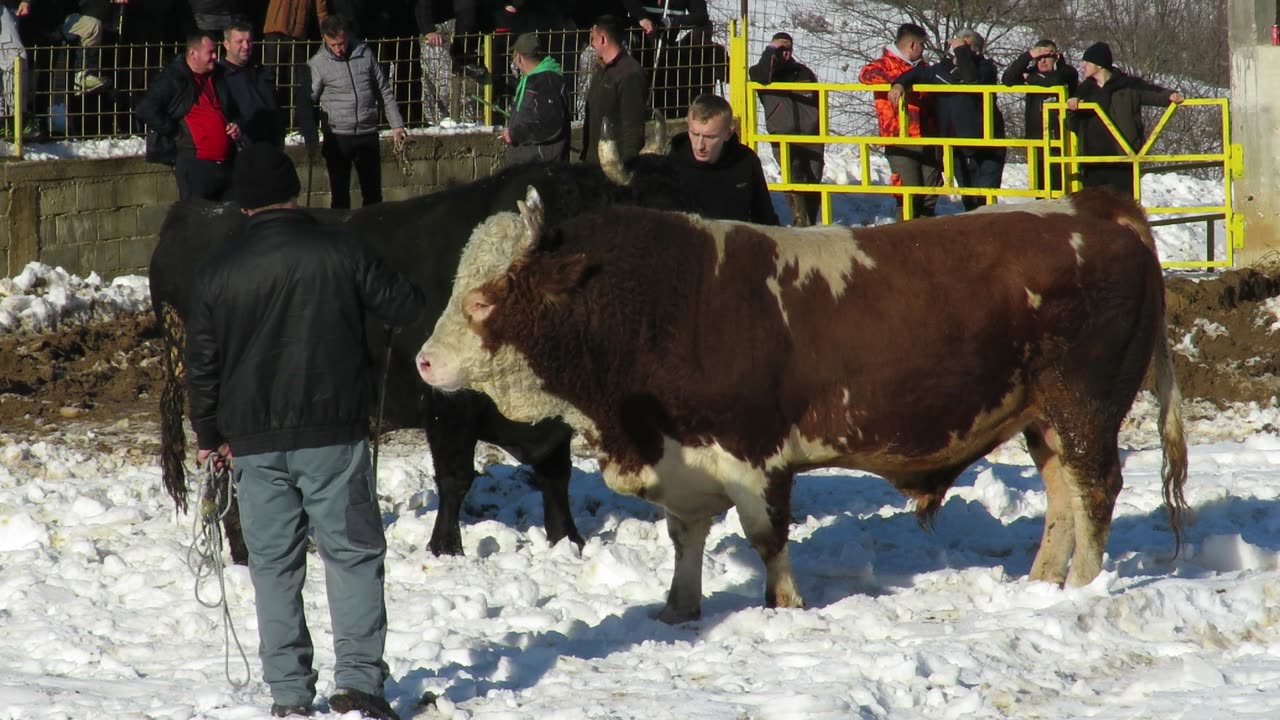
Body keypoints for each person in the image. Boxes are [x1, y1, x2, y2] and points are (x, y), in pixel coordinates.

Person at [185, 142, 424, 720]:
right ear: (296, 192)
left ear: (244, 206)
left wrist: (208, 433)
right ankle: (360, 684)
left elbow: (202, 364)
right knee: (352, 555)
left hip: (253, 443)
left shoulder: (217, 271)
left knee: (273, 566)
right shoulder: (341, 248)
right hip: (333, 432)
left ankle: (289, 695)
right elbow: (408, 307)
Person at [891, 29, 1005, 211]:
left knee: (986, 198)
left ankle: (989, 235)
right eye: (957, 47)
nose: (957, 50)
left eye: (965, 47)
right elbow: (917, 74)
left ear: (976, 51)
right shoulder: (942, 70)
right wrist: (898, 84)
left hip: (987, 145)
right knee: (969, 199)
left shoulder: (986, 68)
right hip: (957, 145)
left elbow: (971, 80)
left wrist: (962, 51)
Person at [308, 14, 407, 208]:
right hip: (337, 137)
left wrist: (397, 124)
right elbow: (308, 99)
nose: (339, 49)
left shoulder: (365, 54)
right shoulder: (318, 63)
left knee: (373, 196)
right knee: (340, 197)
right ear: (325, 40)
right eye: (333, 45)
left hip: (367, 133)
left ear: (347, 36)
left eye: (342, 43)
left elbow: (383, 91)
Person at [1066, 41, 1185, 197]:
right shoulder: (1083, 90)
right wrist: (1072, 110)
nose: (1082, 66)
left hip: (1122, 160)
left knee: (1124, 211)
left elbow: (1153, 93)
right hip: (1092, 161)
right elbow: (1072, 125)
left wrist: (1170, 96)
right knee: (1095, 214)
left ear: (1100, 65)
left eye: (1087, 62)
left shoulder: (1128, 85)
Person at [135, 31, 243, 201]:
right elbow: (146, 108)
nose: (215, 57)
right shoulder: (173, 78)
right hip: (195, 164)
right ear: (194, 54)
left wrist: (235, 124)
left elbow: (233, 109)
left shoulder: (218, 77)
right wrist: (174, 132)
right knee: (197, 219)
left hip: (226, 163)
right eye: (210, 52)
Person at [859, 22, 939, 220]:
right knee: (908, 194)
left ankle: (925, 241)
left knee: (930, 195)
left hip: (929, 137)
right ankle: (906, 242)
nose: (923, 50)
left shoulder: (924, 68)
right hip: (900, 138)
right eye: (922, 45)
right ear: (913, 45)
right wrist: (901, 82)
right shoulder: (883, 65)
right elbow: (865, 75)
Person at [749, 31, 824, 225]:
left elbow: (818, 100)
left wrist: (818, 125)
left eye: (789, 49)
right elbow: (762, 76)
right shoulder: (763, 70)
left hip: (811, 133)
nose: (786, 54)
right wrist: (771, 51)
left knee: (814, 177)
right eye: (782, 49)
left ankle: (811, 223)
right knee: (794, 174)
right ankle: (800, 222)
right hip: (783, 133)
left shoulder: (804, 72)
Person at [668, 93, 778, 225]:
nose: (700, 145)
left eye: (710, 137)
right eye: (695, 134)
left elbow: (764, 217)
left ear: (728, 134)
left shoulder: (746, 162)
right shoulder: (672, 165)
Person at [1001, 38, 1078, 192]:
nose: (1042, 61)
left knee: (1060, 190)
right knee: (1040, 190)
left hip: (1060, 142)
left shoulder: (1067, 72)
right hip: (1036, 141)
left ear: (1056, 57)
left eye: (1046, 57)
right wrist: (1028, 55)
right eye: (1038, 57)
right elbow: (1007, 79)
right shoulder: (1033, 72)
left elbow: (1054, 80)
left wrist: (1028, 78)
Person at [580, 13, 646, 165]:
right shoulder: (601, 70)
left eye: (593, 39)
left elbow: (633, 130)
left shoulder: (630, 74)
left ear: (602, 39)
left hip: (615, 166)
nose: (592, 45)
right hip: (594, 163)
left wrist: (627, 169)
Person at [502, 31, 569, 165]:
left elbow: (549, 124)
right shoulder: (531, 79)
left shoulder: (546, 82)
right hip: (529, 166)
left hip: (542, 168)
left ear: (518, 57)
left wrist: (516, 134)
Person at [219, 20, 285, 147]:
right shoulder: (218, 77)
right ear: (226, 44)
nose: (246, 46)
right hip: (242, 148)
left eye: (249, 41)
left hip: (271, 146)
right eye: (239, 42)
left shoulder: (261, 71)